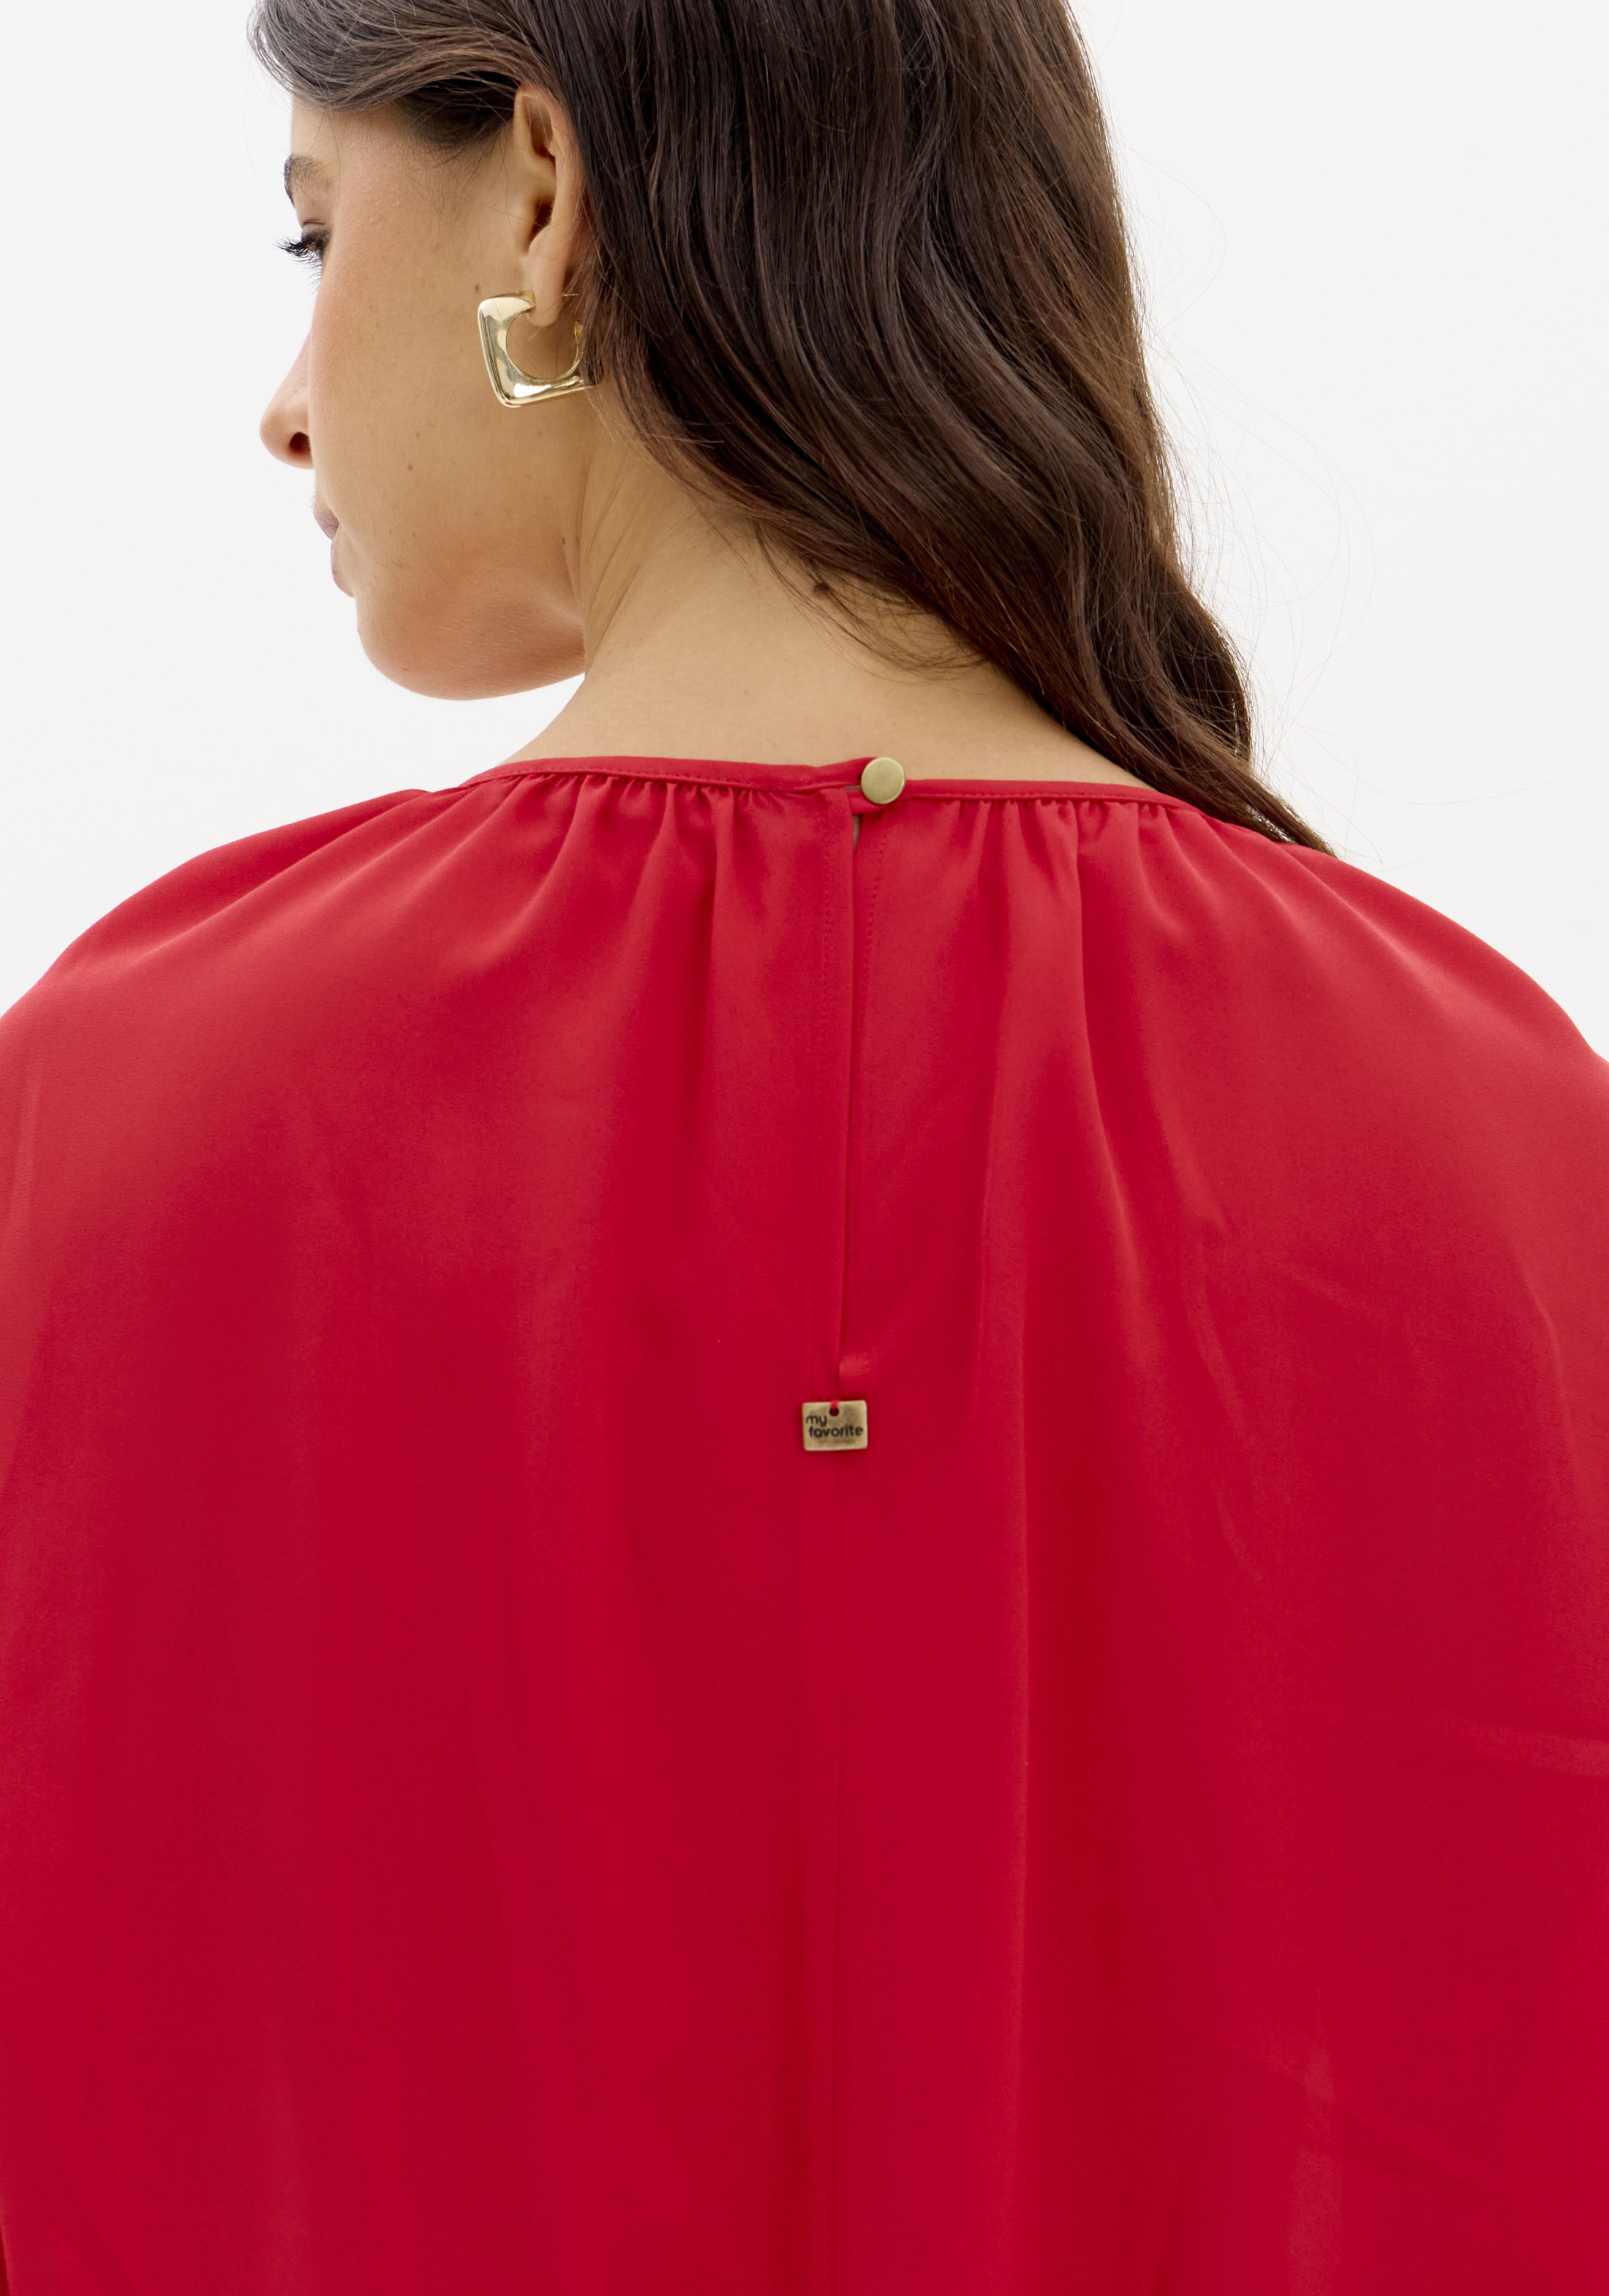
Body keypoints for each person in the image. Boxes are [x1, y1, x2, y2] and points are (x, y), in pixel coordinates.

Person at [1, 0, 1605, 2288]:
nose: (286, 403)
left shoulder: (105, 1113)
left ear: (538, 195)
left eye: (315, 234)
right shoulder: (1517, 1147)